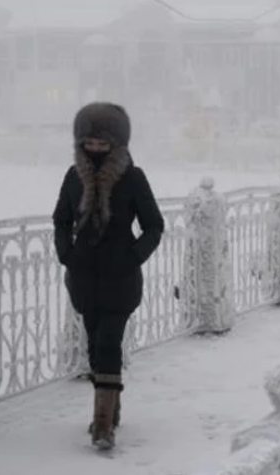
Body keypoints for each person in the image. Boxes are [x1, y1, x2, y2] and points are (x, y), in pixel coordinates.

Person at [52, 102, 163, 451]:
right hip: (84, 279)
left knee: (108, 343)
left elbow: (153, 226)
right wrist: (66, 254)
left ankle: (102, 425)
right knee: (95, 349)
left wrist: (132, 256)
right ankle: (111, 406)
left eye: (103, 143)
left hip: (120, 278)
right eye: (90, 143)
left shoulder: (133, 178)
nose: (96, 149)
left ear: (118, 143)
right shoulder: (73, 177)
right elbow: (61, 220)